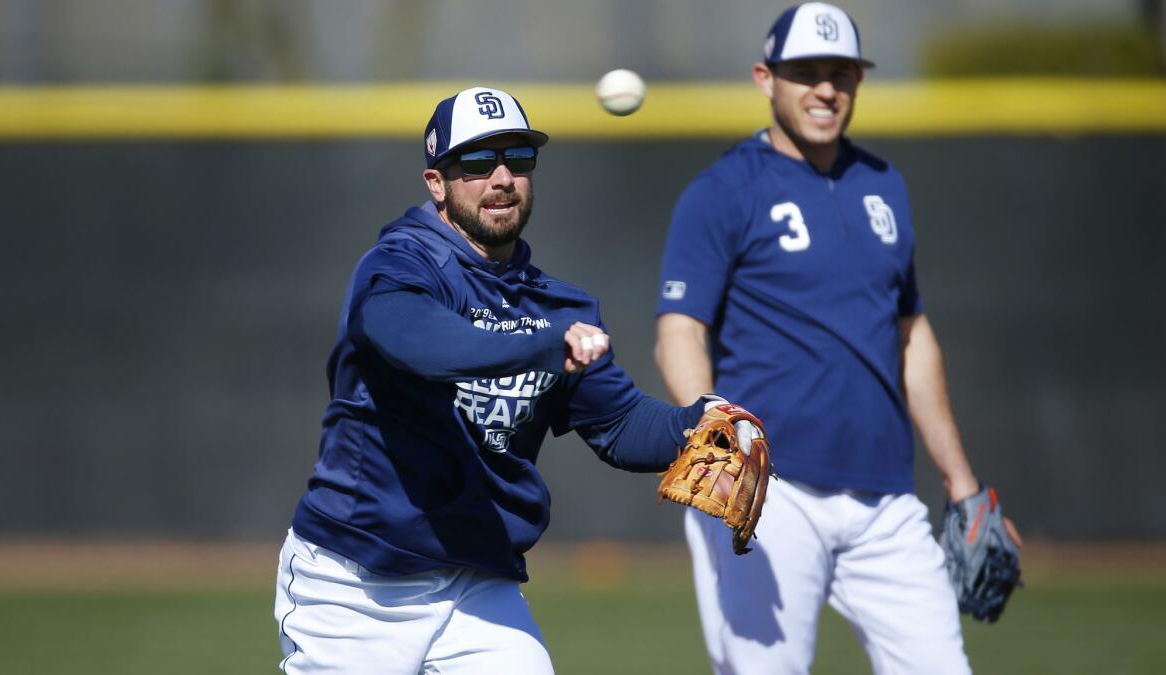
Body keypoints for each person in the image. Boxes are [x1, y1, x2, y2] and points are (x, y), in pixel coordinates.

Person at [273, 86, 725, 674]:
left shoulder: (561, 308)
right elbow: (421, 344)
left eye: (518, 157)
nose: (502, 177)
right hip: (358, 582)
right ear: (437, 183)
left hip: (477, 585)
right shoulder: (399, 267)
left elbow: (618, 424)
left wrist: (701, 422)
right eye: (479, 163)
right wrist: (540, 346)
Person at [654, 4, 1022, 674]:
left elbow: (912, 334)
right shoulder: (723, 190)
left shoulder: (883, 184)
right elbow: (680, 330)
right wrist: (713, 428)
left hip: (885, 499)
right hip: (769, 491)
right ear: (766, 79)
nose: (826, 88)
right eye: (806, 73)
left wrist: (961, 482)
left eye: (842, 73)